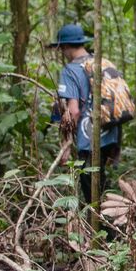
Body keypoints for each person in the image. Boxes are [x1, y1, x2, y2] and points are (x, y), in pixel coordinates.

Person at [49, 23, 121, 203]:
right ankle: (108, 227)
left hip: (88, 139)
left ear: (64, 47)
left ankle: (111, 230)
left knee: (93, 195)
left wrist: (66, 146)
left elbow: (73, 110)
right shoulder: (101, 62)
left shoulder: (70, 70)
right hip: (110, 133)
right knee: (101, 186)